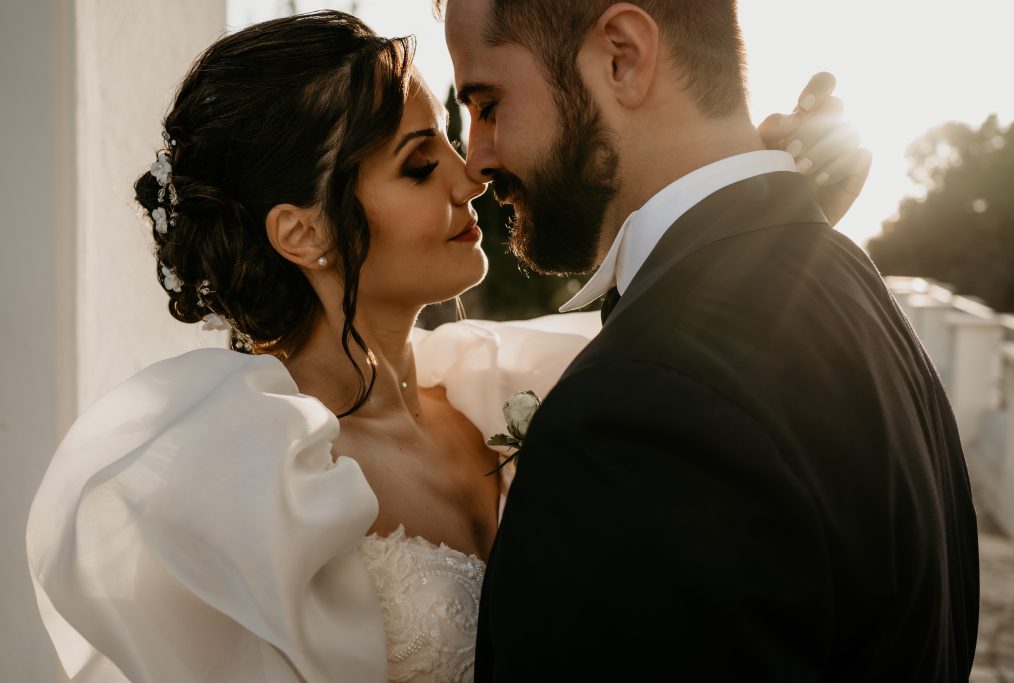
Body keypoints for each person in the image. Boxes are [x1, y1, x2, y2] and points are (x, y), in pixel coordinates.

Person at [26, 10, 872, 683]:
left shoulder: (494, 386)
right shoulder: (247, 486)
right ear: (303, 231)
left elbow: (683, 336)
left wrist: (760, 193)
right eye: (420, 164)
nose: (472, 176)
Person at [437, 0, 981, 680]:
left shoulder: (635, 410)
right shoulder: (856, 288)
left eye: (487, 103)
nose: (477, 158)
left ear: (623, 57)